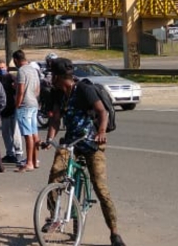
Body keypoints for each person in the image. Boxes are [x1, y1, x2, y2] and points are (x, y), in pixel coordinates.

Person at [41, 57, 126, 246]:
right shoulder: (57, 93)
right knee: (55, 174)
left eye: (52, 75)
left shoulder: (84, 90)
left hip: (92, 143)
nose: (50, 78)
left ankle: (114, 233)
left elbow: (102, 112)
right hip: (71, 142)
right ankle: (54, 217)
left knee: (101, 189)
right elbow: (55, 119)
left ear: (59, 76)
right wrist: (49, 139)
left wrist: (101, 132)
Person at [13, 49, 40, 173]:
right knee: (34, 133)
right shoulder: (33, 70)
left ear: (16, 60)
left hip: (25, 105)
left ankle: (29, 163)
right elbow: (37, 89)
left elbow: (21, 90)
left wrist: (17, 104)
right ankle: (35, 160)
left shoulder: (21, 71)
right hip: (34, 103)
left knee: (27, 134)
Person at [0, 59, 23, 165]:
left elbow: (18, 90)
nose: (1, 69)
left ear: (6, 67)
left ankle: (19, 153)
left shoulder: (11, 77)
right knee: (5, 132)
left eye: (3, 67)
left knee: (15, 132)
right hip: (3, 109)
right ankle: (9, 153)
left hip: (12, 107)